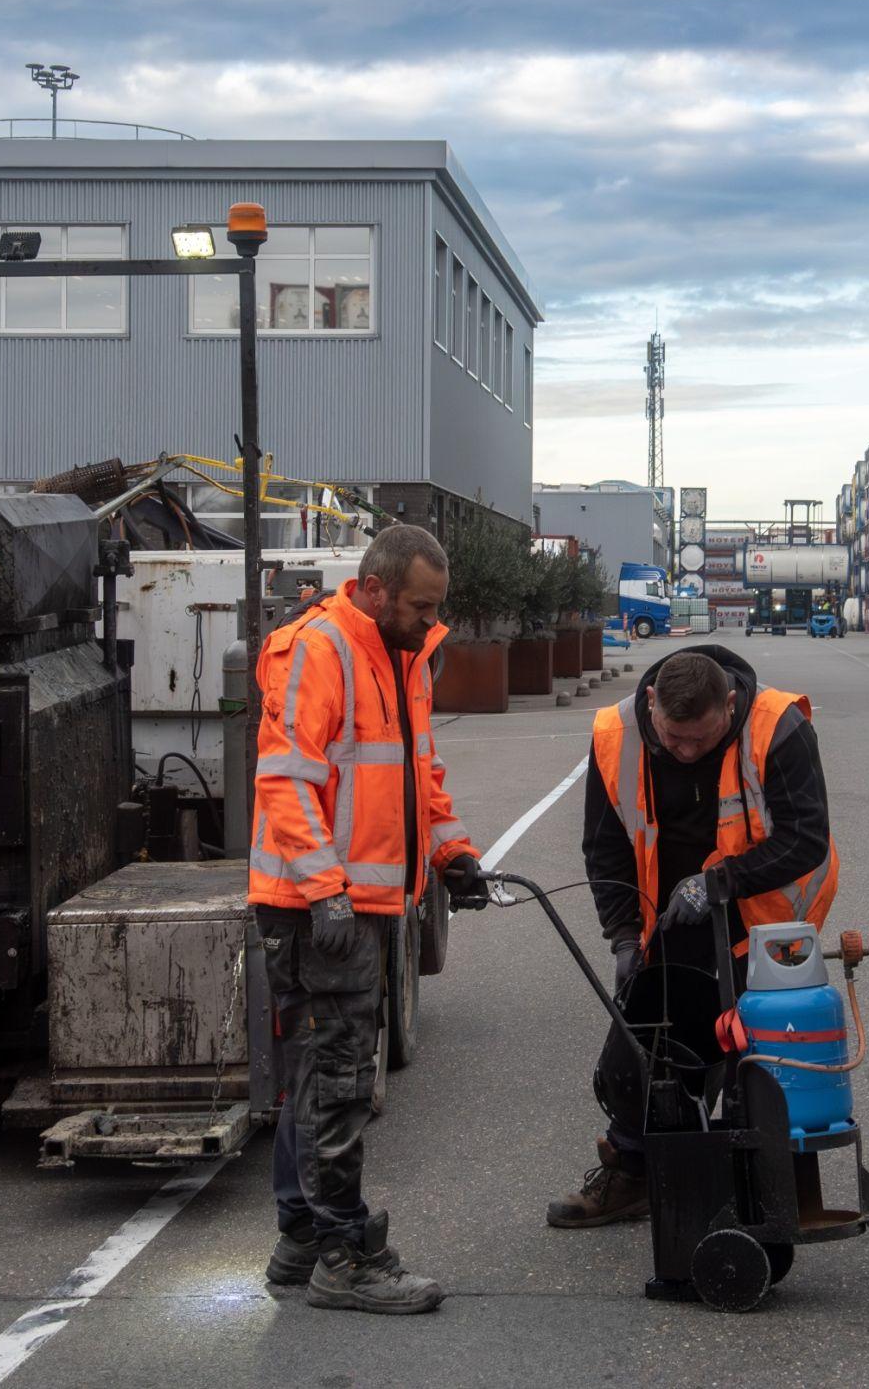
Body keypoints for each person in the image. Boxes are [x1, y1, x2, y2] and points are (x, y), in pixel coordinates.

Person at [248, 523, 486, 1315]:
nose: (431, 620)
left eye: (436, 606)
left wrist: (453, 851)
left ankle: (302, 1237)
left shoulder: (400, 653)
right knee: (339, 1081)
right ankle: (344, 1255)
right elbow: (285, 778)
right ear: (376, 589)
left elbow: (419, 772)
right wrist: (326, 890)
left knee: (318, 1076)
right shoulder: (320, 649)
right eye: (421, 606)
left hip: (351, 903)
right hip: (319, 908)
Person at [547, 645, 837, 1228]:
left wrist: (718, 883)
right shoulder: (617, 734)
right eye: (673, 738)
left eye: (700, 741)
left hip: (764, 919)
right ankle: (635, 1171)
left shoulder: (777, 726)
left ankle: (761, 1187)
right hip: (669, 918)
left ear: (728, 704)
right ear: (652, 702)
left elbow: (806, 837)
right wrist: (624, 936)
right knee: (646, 1047)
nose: (684, 752)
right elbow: (605, 846)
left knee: (756, 1058)